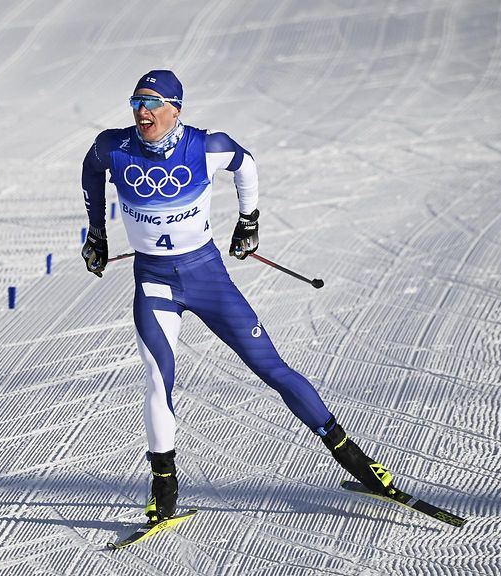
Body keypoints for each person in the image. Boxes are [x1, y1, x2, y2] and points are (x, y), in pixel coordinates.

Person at [80, 70, 398, 522]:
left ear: (176, 108)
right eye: (136, 103)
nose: (142, 112)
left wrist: (249, 221)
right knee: (157, 379)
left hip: (205, 276)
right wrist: (96, 232)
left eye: (152, 103)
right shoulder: (114, 146)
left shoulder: (206, 146)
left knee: (270, 367)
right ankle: (164, 489)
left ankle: (354, 459)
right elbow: (90, 168)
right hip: (153, 281)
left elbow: (245, 163)